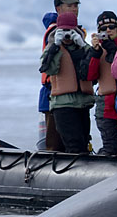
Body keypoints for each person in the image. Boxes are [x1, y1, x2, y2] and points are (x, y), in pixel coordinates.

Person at [39, 12, 94, 154]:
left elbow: (94, 68)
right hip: (62, 105)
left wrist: (83, 46)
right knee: (74, 146)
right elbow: (49, 69)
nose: (67, 36)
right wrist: (55, 47)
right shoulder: (52, 49)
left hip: (82, 103)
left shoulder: (83, 48)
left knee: (83, 141)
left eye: (70, 31)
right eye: (63, 31)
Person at [38, 0, 83, 152]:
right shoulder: (54, 33)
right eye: (69, 5)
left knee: (77, 142)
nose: (74, 8)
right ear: (59, 8)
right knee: (55, 144)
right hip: (54, 94)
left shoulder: (77, 32)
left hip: (76, 97)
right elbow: (48, 66)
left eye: (76, 5)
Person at [85, 11, 117, 155]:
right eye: (103, 29)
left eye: (111, 27)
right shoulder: (97, 50)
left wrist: (113, 48)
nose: (108, 31)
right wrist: (95, 53)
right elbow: (90, 76)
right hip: (106, 105)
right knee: (111, 146)